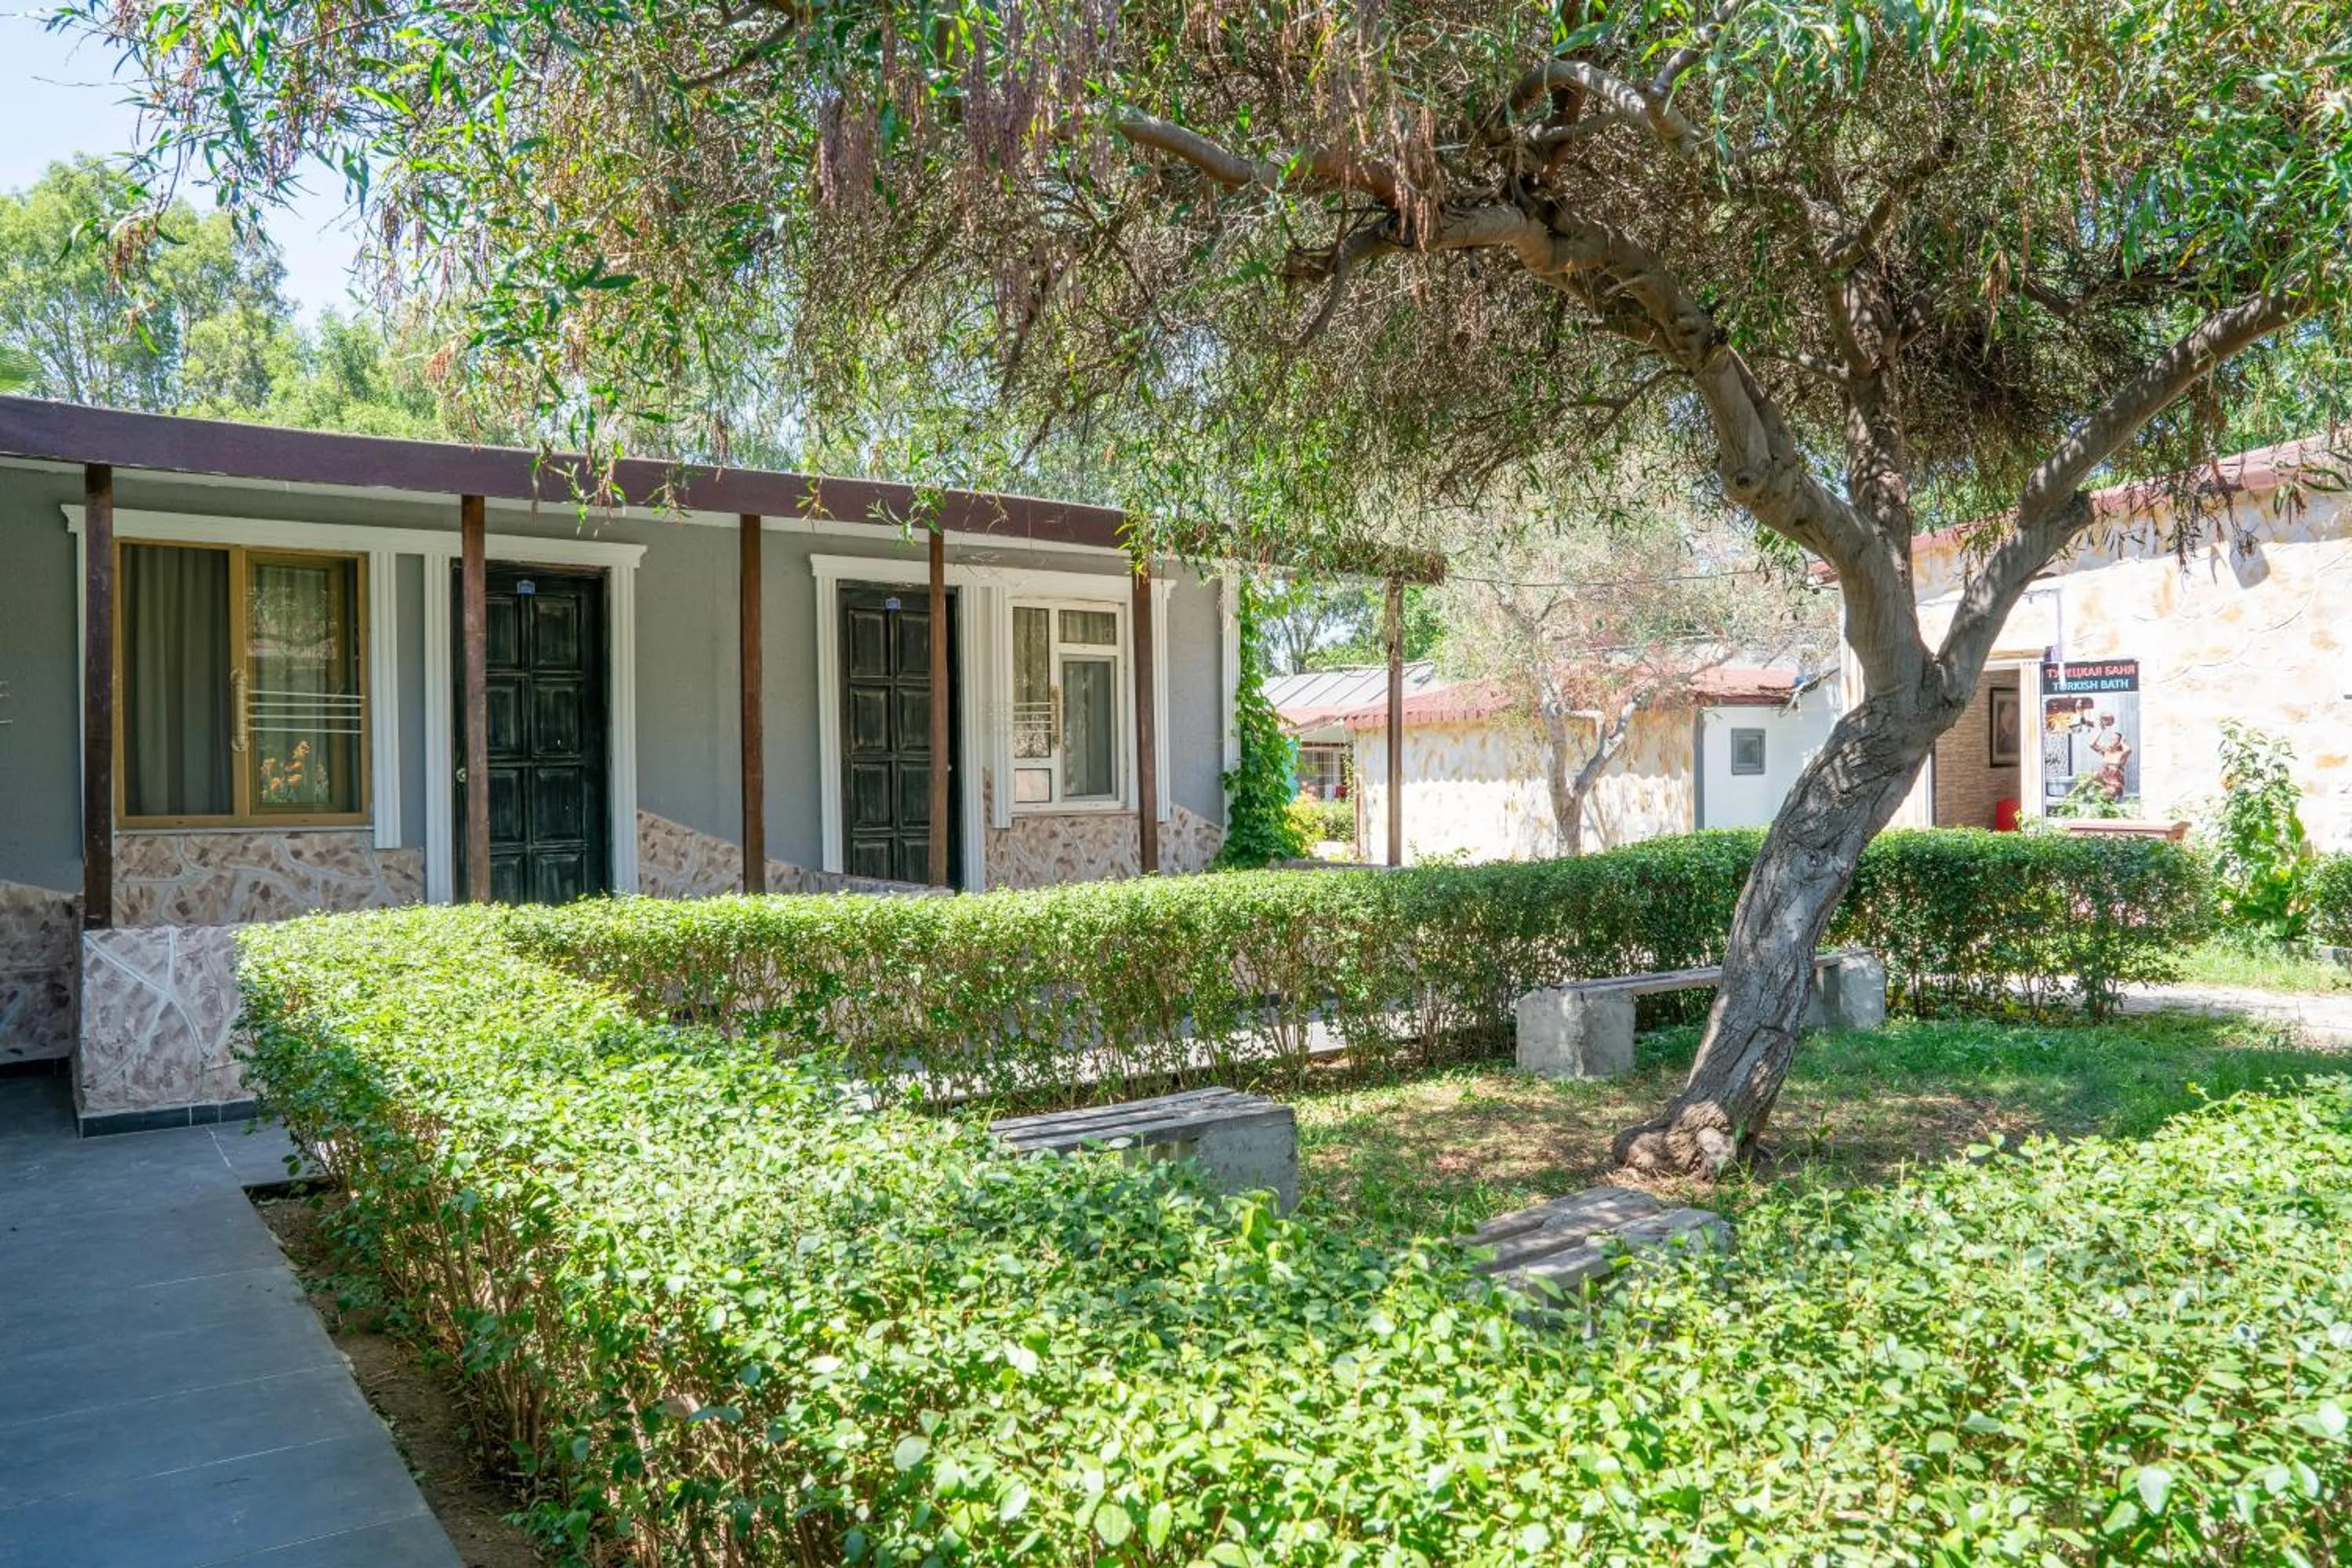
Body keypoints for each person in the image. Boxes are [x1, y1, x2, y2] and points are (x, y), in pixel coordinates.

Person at [2088, 710, 2132, 801]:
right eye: (2111, 739)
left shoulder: (2122, 754)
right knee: (2095, 775)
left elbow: (2128, 750)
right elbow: (2091, 744)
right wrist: (2101, 730)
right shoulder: (2106, 751)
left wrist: (2123, 742)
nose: (2111, 741)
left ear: (2119, 742)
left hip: (2115, 784)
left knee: (2107, 794)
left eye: (2114, 740)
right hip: (2104, 781)